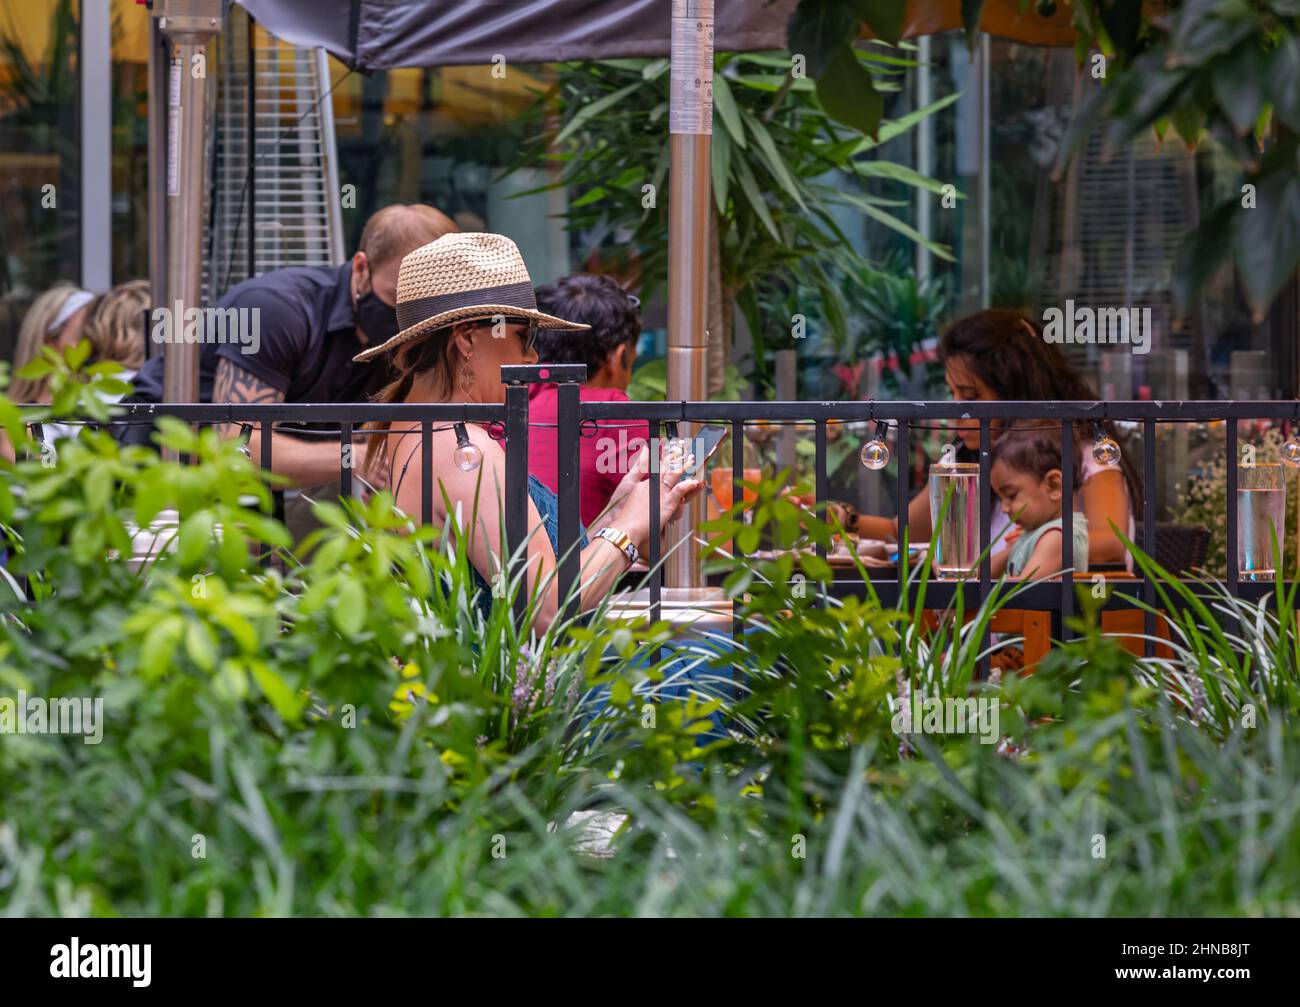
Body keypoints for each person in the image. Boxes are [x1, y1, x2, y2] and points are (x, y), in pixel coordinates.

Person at [360, 232, 702, 632]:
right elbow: (546, 609)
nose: (533, 356)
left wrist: (620, 509)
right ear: (468, 338)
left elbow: (531, 573)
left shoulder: (413, 429)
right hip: (517, 692)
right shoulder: (462, 450)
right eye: (525, 336)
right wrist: (631, 526)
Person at [120, 204, 457, 492]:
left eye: (425, 308)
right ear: (360, 268)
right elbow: (237, 448)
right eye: (397, 300)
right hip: (150, 458)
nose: (409, 321)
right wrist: (357, 458)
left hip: (253, 487)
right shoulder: (275, 310)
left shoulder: (412, 334)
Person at [850, 309, 1140, 569]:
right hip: (981, 623)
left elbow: (1113, 544)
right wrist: (839, 518)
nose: (957, 410)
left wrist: (1037, 543)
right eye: (953, 393)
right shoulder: (963, 459)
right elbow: (900, 528)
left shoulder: (1086, 454)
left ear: (1016, 395)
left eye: (970, 395)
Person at [527, 273, 650, 527]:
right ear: (620, 356)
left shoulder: (506, 403)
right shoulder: (611, 412)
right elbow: (660, 531)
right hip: (582, 565)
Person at [988, 425, 1090, 580]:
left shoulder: (1058, 536)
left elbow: (1026, 588)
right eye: (1000, 498)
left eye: (1011, 495)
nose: (1003, 508)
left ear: (1054, 486)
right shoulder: (1038, 532)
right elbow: (981, 574)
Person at [8, 284, 95, 404]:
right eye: (82, 335)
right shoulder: (12, 416)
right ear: (47, 339)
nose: (94, 345)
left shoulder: (103, 402)